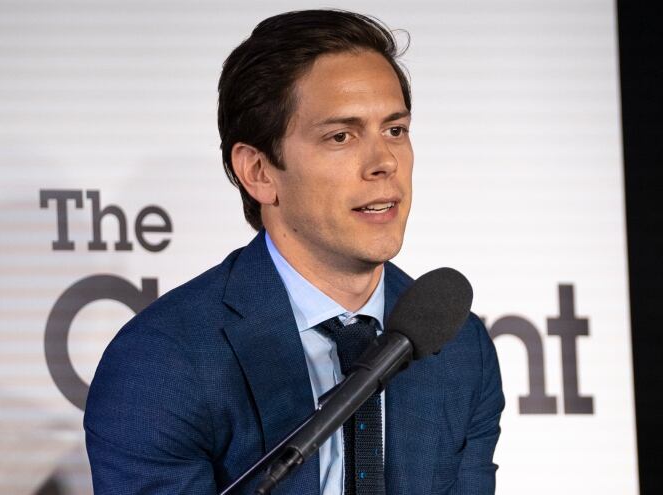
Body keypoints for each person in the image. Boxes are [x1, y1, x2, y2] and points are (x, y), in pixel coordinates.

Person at [84, 9, 504, 495]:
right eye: (340, 136)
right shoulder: (162, 365)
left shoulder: (459, 349)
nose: (385, 162)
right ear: (259, 171)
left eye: (395, 130)